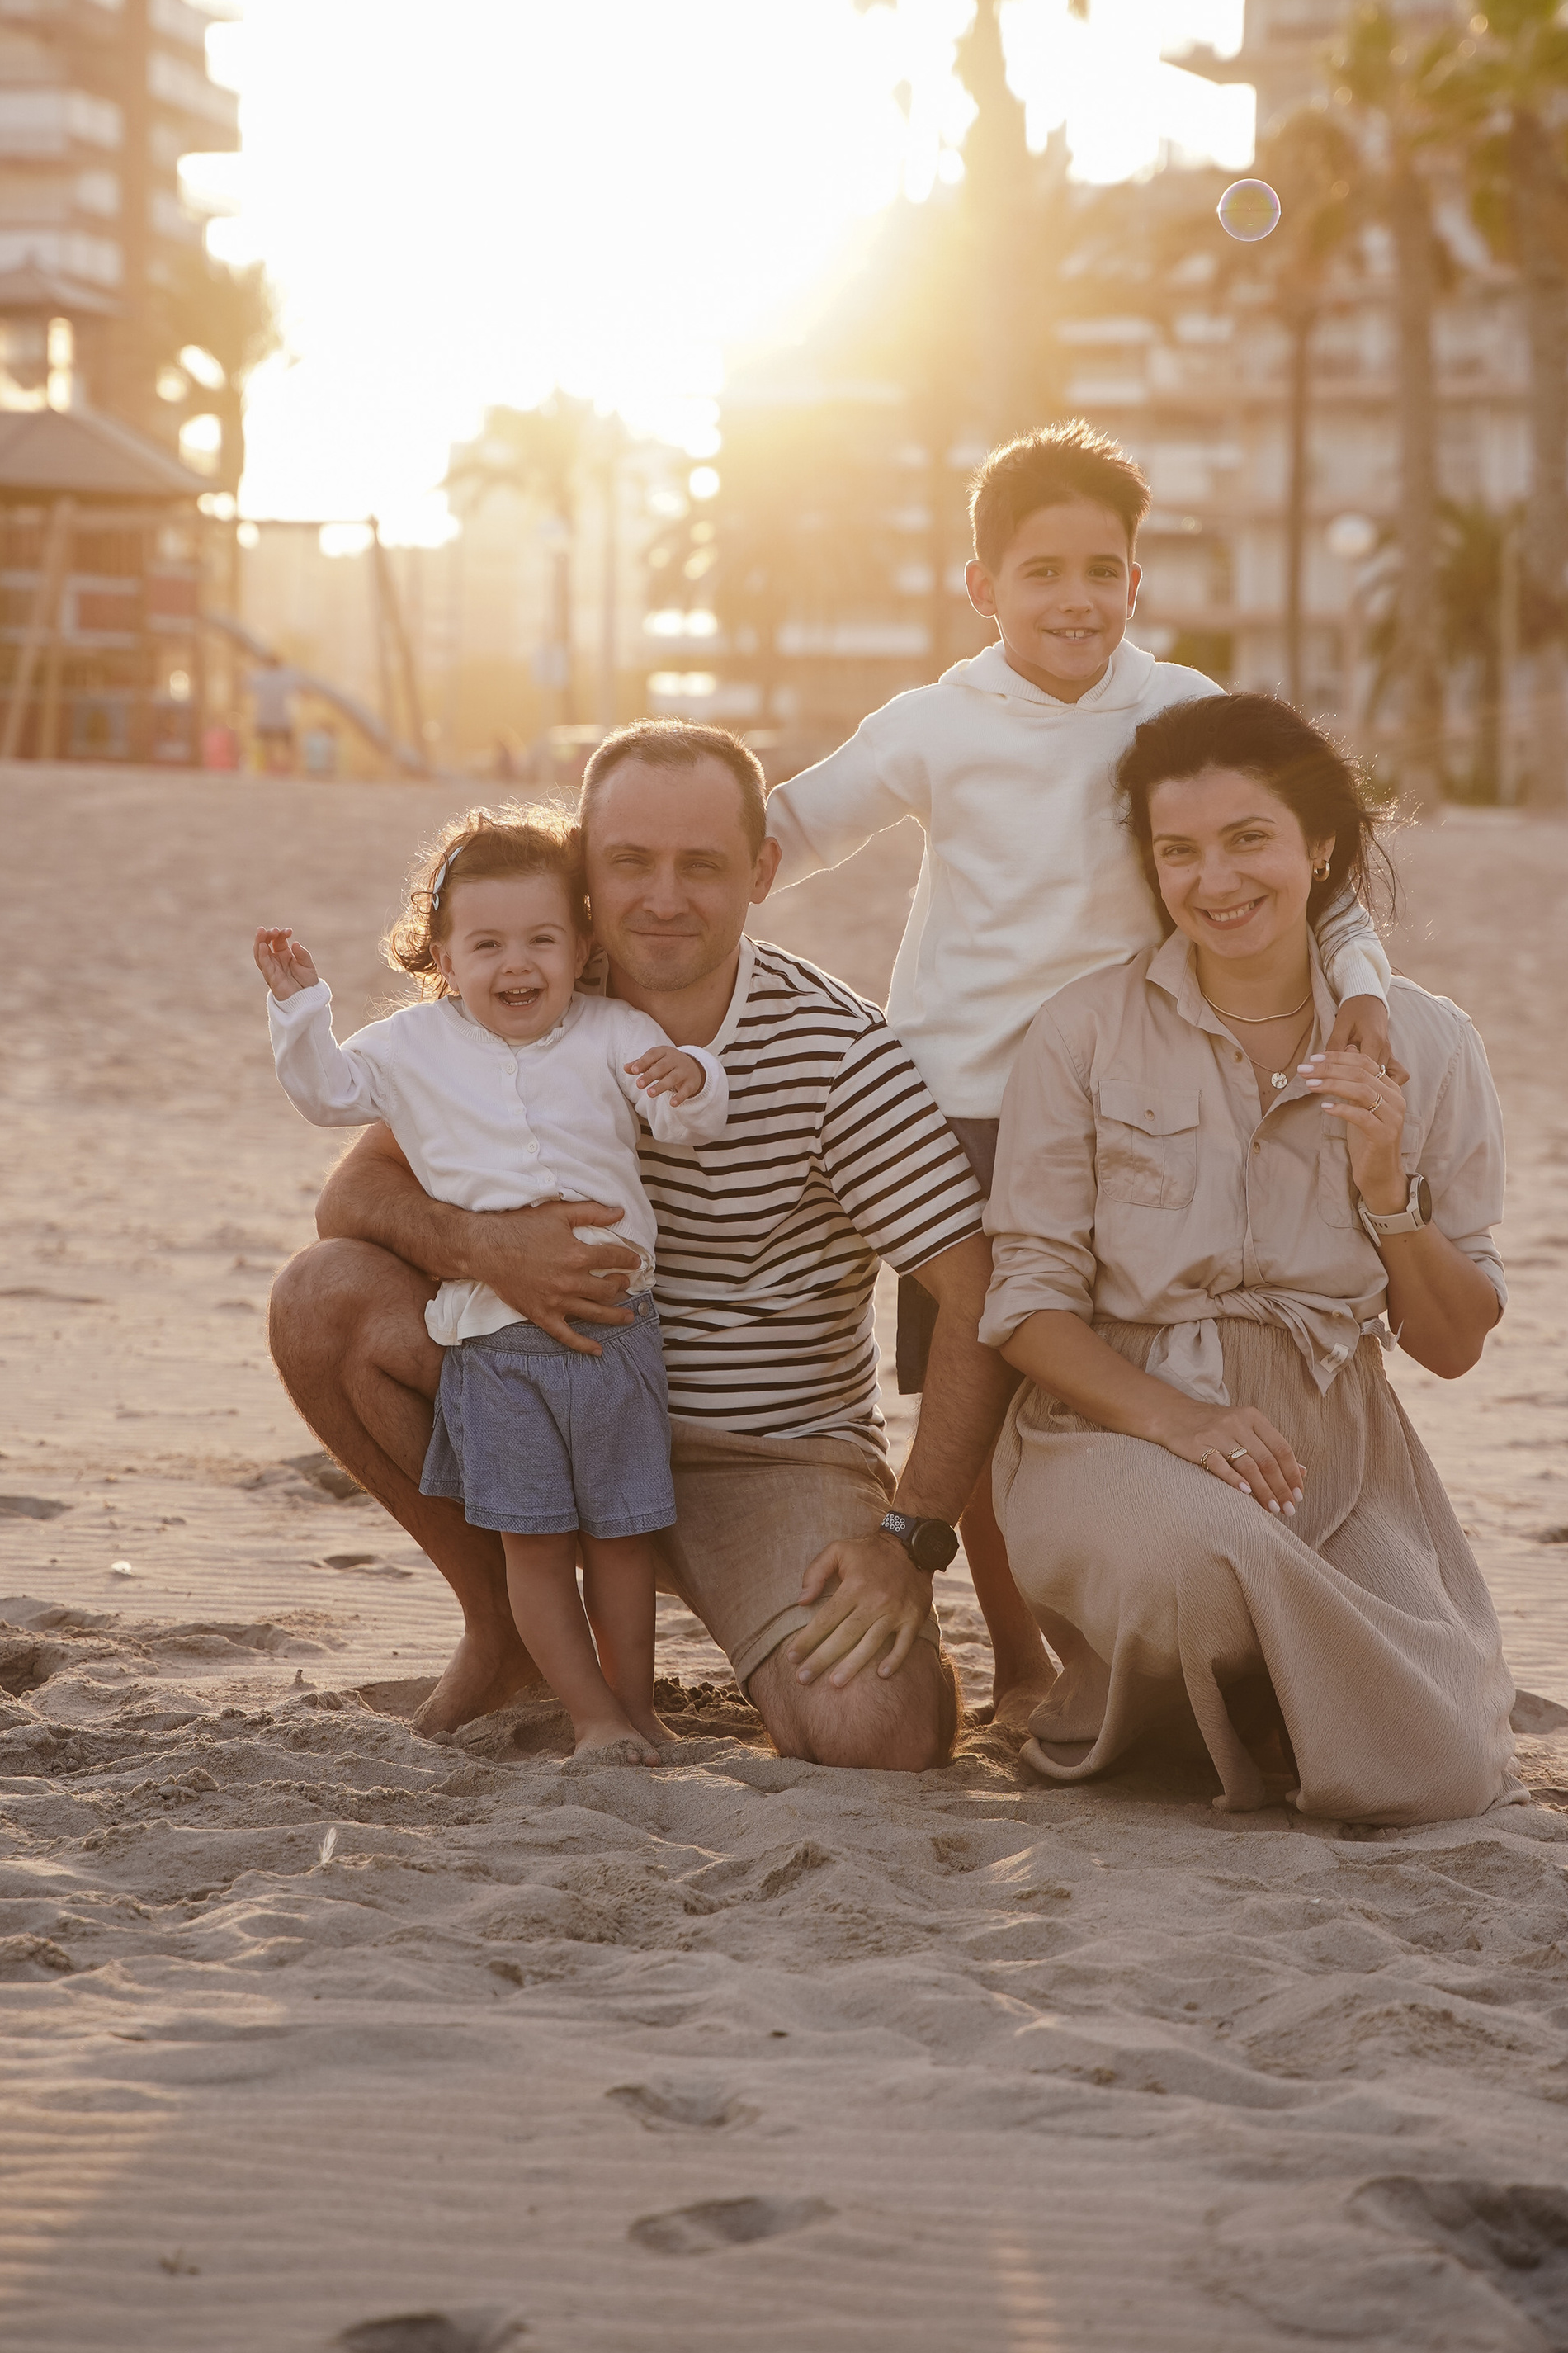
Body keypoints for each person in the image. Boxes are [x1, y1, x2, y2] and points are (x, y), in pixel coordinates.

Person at [267, 723, 1025, 1770]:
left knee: (876, 1736)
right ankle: (504, 1633)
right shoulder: (524, 996)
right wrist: (488, 1248)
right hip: (542, 1387)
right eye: (629, 862)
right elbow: (353, 1191)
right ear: (584, 867)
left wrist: (912, 1537)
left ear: (761, 871)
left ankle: (758, 1629)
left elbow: (975, 1295)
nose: (662, 897)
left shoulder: (842, 1055)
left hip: (764, 1460)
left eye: (702, 866)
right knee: (321, 1298)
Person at [761, 421, 1395, 1628]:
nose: (1075, 600)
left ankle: (1133, 1621)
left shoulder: (1181, 707)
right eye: (1042, 573)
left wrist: (1359, 983)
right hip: (966, 1108)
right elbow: (785, 835)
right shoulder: (931, 723)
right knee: (983, 1388)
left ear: (1136, 584)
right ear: (982, 586)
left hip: (1145, 1098)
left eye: (1102, 571)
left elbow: (1316, 870)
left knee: (1131, 1367)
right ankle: (1018, 1652)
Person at [980, 692, 1518, 1825]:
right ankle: (1265, 1682)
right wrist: (1180, 1423)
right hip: (1111, 1425)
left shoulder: (1429, 1041)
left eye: (1249, 840)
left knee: (1440, 1773)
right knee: (1201, 1562)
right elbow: (1026, 1305)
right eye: (1179, 852)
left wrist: (1388, 1197)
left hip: (1333, 1442)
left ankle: (1287, 1693)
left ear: (1319, 847)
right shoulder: (1084, 1031)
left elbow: (1456, 1344)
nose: (1215, 882)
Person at [256, 809, 728, 1768]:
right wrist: (303, 1011)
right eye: (487, 945)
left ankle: (638, 1714)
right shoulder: (411, 1046)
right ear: (441, 954)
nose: (517, 965)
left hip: (617, 1335)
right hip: (493, 1349)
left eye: (542, 940)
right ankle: (589, 1715)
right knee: (538, 1547)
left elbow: (681, 1123)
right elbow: (325, 1098)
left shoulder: (611, 1030)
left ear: (582, 944)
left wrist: (695, 1076)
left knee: (627, 1541)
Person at [252, 656, 298, 776]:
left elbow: (245, 685)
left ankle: (267, 767)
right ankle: (288, 768)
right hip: (282, 719)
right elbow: (300, 685)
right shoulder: (287, 678)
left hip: (265, 718)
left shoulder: (260, 678)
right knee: (286, 746)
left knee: (266, 745)